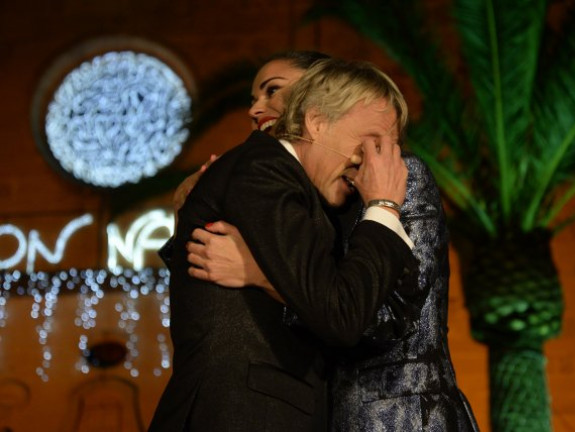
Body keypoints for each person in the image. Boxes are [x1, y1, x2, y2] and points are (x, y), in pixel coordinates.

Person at [182, 51, 480, 431]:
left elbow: (385, 318)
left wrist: (262, 275)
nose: (260, 109)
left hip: (400, 418)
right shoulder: (299, 188)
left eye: (277, 91)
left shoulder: (398, 179)